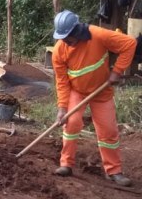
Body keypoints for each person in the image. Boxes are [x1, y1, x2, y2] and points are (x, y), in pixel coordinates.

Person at [51, 10, 136, 187]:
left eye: (68, 37)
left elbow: (129, 43)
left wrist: (117, 71)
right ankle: (66, 164)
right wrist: (62, 108)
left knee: (108, 130)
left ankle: (114, 171)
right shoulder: (59, 51)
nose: (65, 41)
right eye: (62, 38)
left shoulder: (98, 35)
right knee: (71, 122)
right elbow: (61, 81)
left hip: (101, 92)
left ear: (77, 30)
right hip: (77, 91)